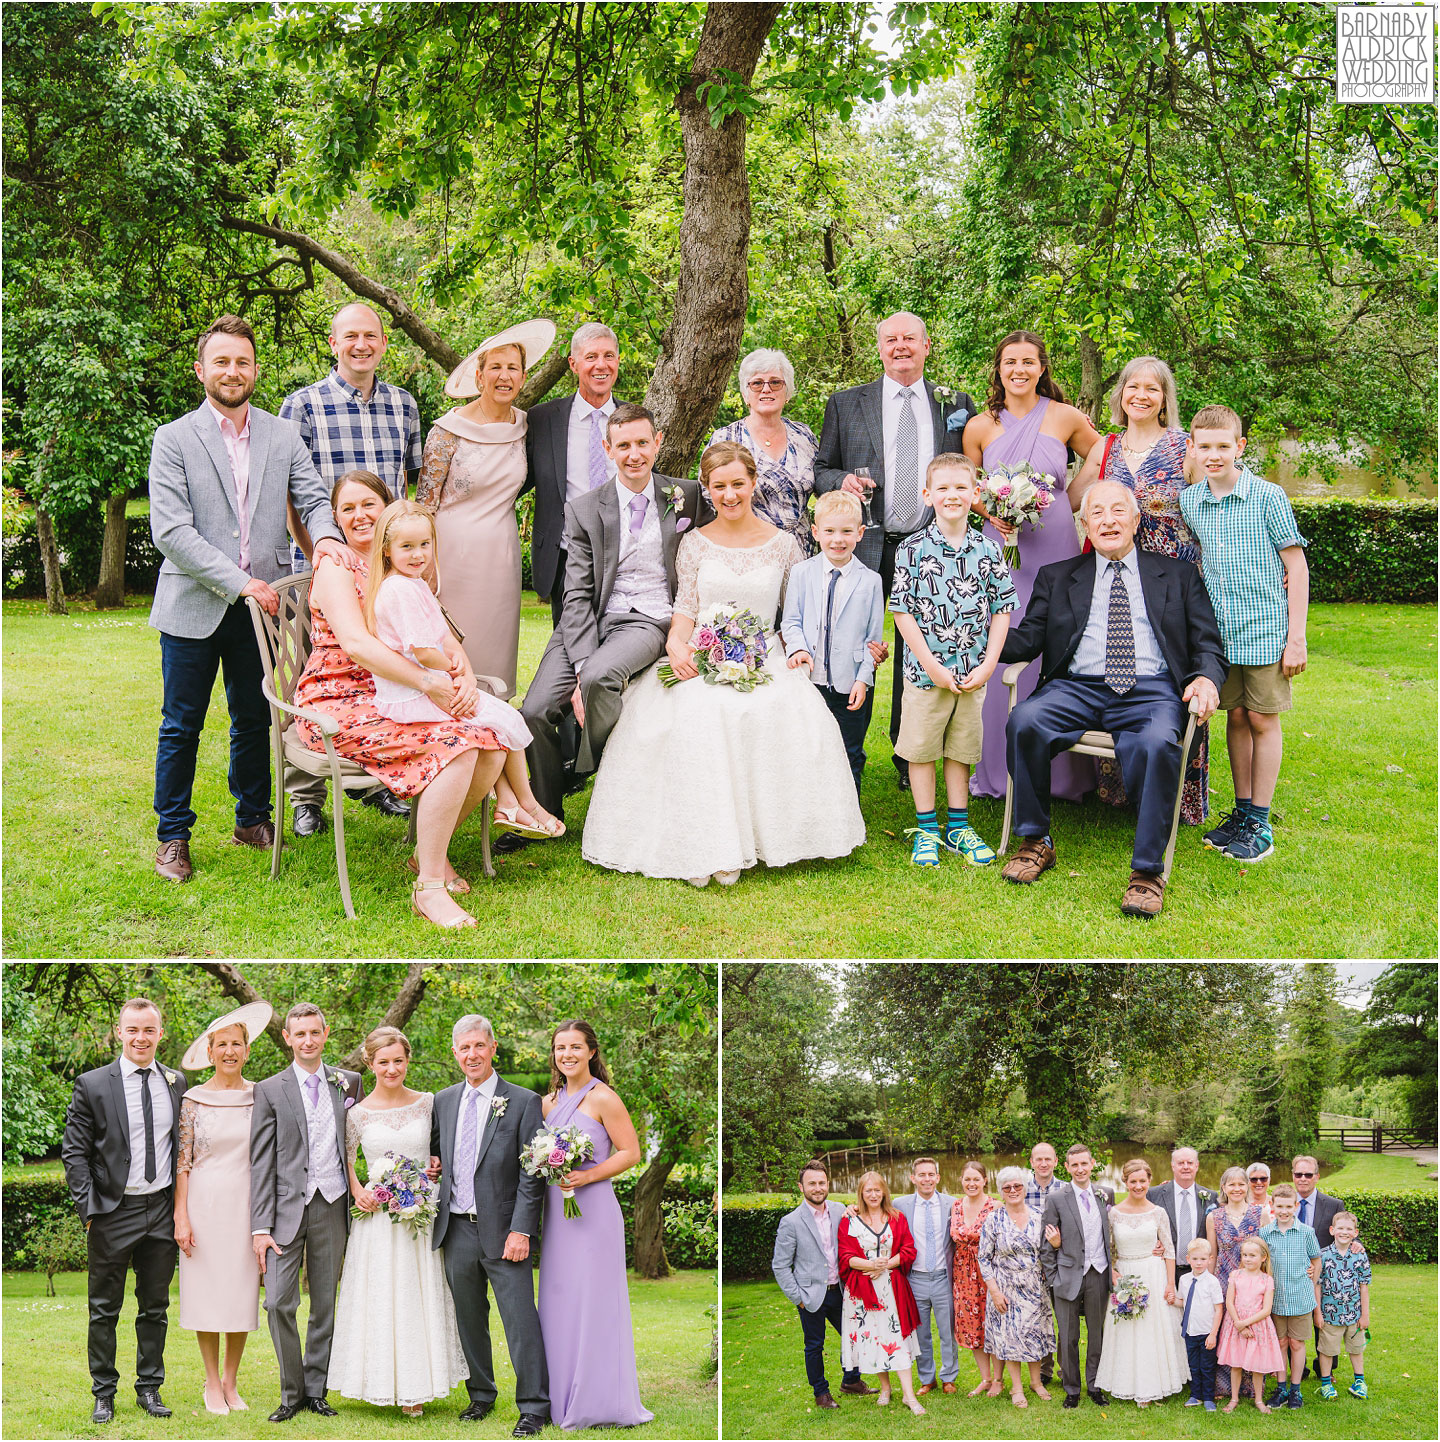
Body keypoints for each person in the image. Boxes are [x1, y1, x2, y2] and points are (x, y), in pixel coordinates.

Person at [581, 441, 866, 885]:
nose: (729, 494)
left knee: (770, 712)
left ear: (753, 482)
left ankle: (759, 837)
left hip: (765, 654)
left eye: (738, 483)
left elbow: (793, 615)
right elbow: (686, 607)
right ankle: (701, 842)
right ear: (706, 489)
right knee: (695, 715)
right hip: (701, 651)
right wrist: (676, 644)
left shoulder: (785, 544)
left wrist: (800, 651)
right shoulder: (693, 542)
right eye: (719, 486)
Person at [148, 313, 350, 882]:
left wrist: (330, 544)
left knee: (253, 719)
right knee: (180, 725)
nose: (232, 371)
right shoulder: (173, 438)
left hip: (263, 611)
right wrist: (239, 582)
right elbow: (171, 531)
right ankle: (173, 837)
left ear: (255, 369)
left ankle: (252, 819)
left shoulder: (283, 436)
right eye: (221, 361)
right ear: (200, 371)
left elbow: (313, 501)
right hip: (193, 605)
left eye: (242, 361)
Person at [291, 470, 513, 928]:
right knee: (461, 744)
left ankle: (425, 854)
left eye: (368, 505)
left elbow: (443, 637)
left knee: (491, 742)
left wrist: (465, 677)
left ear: (389, 512)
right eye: (347, 509)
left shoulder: (403, 565)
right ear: (335, 518)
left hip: (397, 693)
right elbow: (356, 645)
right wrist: (428, 682)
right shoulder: (335, 565)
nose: (359, 516)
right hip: (339, 700)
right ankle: (429, 889)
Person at [998, 480, 1226, 917]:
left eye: (1118, 511)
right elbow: (1026, 640)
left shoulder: (1177, 575)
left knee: (1157, 742)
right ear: (1085, 524)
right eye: (1097, 513)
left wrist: (1207, 680)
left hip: (1151, 689)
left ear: (1136, 520)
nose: (1108, 520)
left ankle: (1147, 871)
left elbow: (1207, 644)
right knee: (1025, 720)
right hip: (1075, 687)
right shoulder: (1059, 576)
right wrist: (975, 639)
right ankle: (1035, 839)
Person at [519, 403, 707, 825]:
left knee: (601, 678)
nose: (634, 453)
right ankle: (547, 810)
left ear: (658, 443)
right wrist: (581, 661)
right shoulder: (585, 509)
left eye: (643, 442)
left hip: (650, 618)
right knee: (533, 711)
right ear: (608, 448)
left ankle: (585, 767)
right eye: (623, 445)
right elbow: (578, 593)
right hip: (592, 617)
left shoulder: (686, 495)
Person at [814, 311, 976, 789]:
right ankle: (842, 753)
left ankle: (911, 757)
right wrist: (841, 480)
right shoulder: (845, 404)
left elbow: (967, 470)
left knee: (918, 650)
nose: (900, 345)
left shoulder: (956, 404)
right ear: (880, 347)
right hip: (864, 543)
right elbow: (822, 469)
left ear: (927, 346)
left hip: (930, 546)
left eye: (910, 338)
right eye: (891, 339)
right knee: (847, 644)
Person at [279, 301, 423, 837]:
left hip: (382, 568)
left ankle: (386, 780)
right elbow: (294, 494)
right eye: (350, 337)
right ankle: (306, 797)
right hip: (325, 565)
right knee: (316, 673)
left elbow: (405, 487)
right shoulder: (304, 405)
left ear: (383, 343)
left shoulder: (404, 405)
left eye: (371, 336)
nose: (361, 345)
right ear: (333, 344)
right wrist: (318, 550)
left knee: (384, 665)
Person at [363, 499, 561, 840]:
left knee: (501, 722)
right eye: (406, 546)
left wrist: (461, 671)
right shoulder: (398, 589)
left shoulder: (415, 584)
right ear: (386, 551)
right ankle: (525, 804)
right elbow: (424, 652)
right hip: (413, 695)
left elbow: (443, 637)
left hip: (429, 688)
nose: (417, 554)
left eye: (424, 545)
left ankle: (511, 801)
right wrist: (453, 669)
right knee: (504, 719)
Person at [964, 330, 1101, 808]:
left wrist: (1071, 493)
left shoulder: (1065, 416)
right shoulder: (980, 425)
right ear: (998, 370)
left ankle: (1064, 776)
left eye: (1028, 361)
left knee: (1058, 639)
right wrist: (990, 513)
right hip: (1000, 546)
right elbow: (966, 486)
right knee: (1002, 638)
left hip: (1056, 543)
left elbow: (1102, 452)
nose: (1018, 369)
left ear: (1043, 368)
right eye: (1009, 362)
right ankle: (998, 770)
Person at [1072, 356, 1210, 825]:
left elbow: (1218, 502)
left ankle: (1180, 797)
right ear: (1121, 395)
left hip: (1172, 574)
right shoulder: (1105, 447)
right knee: (1119, 661)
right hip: (1115, 570)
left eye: (1153, 389)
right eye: (1134, 387)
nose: (1142, 396)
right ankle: (1118, 791)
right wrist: (1014, 497)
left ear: (1165, 398)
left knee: (1172, 673)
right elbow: (1071, 500)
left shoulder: (1184, 446)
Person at [1180, 402, 1310, 863]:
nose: (1213, 455)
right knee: (1234, 717)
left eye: (1222, 446)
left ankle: (1261, 819)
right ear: (1191, 450)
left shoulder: (1268, 496)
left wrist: (1297, 637)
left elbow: (1295, 563)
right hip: (1221, 637)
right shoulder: (1191, 501)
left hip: (1266, 632)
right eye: (1204, 447)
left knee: (1261, 719)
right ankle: (1240, 812)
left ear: (1240, 447)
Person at [61, 997, 189, 1425]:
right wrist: (89, 1210)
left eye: (148, 1030)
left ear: (160, 1033)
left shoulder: (176, 1082)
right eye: (132, 1029)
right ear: (119, 1032)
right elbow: (74, 1153)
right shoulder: (93, 1084)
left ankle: (149, 1388)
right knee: (104, 1308)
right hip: (113, 1211)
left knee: (154, 1307)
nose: (140, 1037)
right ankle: (104, 1392)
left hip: (161, 1208)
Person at [328, 1026, 467, 1417]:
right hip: (377, 1221)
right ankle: (376, 1379)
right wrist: (358, 1190)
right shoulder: (355, 1112)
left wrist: (435, 1167)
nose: (392, 1069)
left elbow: (440, 1152)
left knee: (415, 1292)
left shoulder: (428, 1103)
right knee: (380, 1295)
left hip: (419, 1219)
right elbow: (346, 1161)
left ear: (408, 1060)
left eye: (398, 1061)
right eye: (383, 1062)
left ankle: (416, 1386)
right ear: (369, 1063)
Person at [417, 319, 557, 698]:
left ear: (524, 376)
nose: (504, 376)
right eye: (495, 367)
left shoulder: (527, 427)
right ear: (478, 376)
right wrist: (425, 566)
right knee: (453, 657)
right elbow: (424, 507)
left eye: (512, 367)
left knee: (494, 661)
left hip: (501, 557)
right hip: (451, 558)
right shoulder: (446, 431)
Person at [889, 454, 1017, 868]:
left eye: (961, 487)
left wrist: (988, 664)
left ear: (975, 493)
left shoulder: (987, 549)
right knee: (922, 750)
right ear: (927, 495)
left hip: (971, 674)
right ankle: (926, 829)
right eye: (942, 488)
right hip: (928, 674)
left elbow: (1002, 609)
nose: (952, 495)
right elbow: (902, 611)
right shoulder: (912, 548)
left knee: (961, 750)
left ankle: (959, 827)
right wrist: (931, 666)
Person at [428, 1015, 549, 1436]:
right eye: (464, 1048)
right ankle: (480, 1395)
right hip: (456, 1228)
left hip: (504, 1231)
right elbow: (437, 1154)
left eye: (479, 1046)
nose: (472, 1055)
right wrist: (432, 1168)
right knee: (468, 1317)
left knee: (520, 1319)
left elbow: (534, 1173)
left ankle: (534, 1406)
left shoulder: (523, 1101)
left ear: (493, 1048)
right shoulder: (442, 1101)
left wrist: (522, 1230)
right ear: (455, 1053)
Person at [249, 1002, 363, 1423]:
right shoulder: (269, 1089)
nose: (308, 1040)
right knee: (278, 1303)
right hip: (282, 1212)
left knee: (325, 1305)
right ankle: (290, 1392)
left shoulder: (348, 1083)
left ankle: (316, 1390)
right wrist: (260, 1225)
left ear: (326, 1033)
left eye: (315, 1032)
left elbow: (360, 1142)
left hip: (332, 1205)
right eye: (300, 1034)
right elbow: (260, 1161)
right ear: (287, 1038)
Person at [538, 1020, 653, 1429]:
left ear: (591, 1051)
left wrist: (588, 1175)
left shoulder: (605, 1098)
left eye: (574, 1047)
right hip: (559, 1213)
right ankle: (559, 1397)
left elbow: (631, 1152)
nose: (566, 1054)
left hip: (595, 1213)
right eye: (559, 1048)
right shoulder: (548, 1102)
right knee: (559, 1301)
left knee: (594, 1303)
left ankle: (600, 1400)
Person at [174, 1003, 271, 1416]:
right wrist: (181, 1215)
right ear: (210, 1051)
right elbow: (184, 1161)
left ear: (247, 1051)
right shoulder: (193, 1099)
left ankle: (231, 1381)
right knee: (207, 1296)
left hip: (247, 1208)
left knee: (239, 1295)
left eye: (237, 1044)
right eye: (222, 1044)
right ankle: (211, 1382)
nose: (229, 1051)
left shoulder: (261, 1097)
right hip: (204, 1206)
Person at [780, 490, 886, 797]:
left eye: (846, 531)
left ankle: (849, 811)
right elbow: (791, 621)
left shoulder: (870, 581)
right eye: (829, 531)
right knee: (809, 744)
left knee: (849, 748)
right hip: (810, 680)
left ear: (860, 533)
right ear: (816, 532)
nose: (837, 539)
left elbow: (873, 639)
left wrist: (863, 680)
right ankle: (812, 806)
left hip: (850, 682)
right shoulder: (802, 573)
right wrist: (798, 649)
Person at [524, 322, 627, 627]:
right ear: (573, 363)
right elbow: (515, 480)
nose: (601, 365)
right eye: (591, 356)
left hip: (624, 557)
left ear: (618, 361)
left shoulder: (634, 418)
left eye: (609, 356)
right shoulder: (543, 420)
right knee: (569, 654)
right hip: (566, 558)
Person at [771, 1160, 873, 1410]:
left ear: (828, 1184)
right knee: (814, 1346)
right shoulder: (791, 1222)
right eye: (811, 1183)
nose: (817, 1188)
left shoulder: (840, 1210)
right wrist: (798, 1298)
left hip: (841, 1291)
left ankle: (851, 1381)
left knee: (854, 1337)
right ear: (801, 1187)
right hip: (811, 1295)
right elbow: (780, 1266)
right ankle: (821, 1393)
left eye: (821, 1183)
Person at [1093, 1158, 1188, 1407]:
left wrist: (1170, 1283)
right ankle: (1131, 1384)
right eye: (1132, 1181)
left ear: (1149, 1181)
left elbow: (1169, 1249)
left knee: (1155, 1331)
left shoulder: (1158, 1212)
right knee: (1129, 1330)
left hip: (1153, 1274)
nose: (1137, 1186)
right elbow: (1108, 1248)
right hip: (1125, 1275)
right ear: (1125, 1182)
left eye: (1142, 1181)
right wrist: (1114, 1274)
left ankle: (1160, 1383)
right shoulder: (1113, 1213)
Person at [709, 348, 820, 555]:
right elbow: (710, 500)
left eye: (775, 382)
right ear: (745, 394)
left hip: (802, 554)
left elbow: (822, 486)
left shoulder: (804, 436)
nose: (766, 389)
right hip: (747, 553)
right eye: (757, 383)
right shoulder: (726, 438)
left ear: (787, 392)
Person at [838, 1172, 925, 1415]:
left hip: (891, 1290)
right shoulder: (850, 1221)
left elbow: (908, 1250)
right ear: (861, 1194)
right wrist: (869, 1266)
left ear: (884, 1192)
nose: (874, 1195)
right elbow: (845, 1256)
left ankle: (909, 1395)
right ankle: (885, 1388)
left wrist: (884, 1265)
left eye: (878, 1190)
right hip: (862, 1292)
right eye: (868, 1191)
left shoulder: (897, 1218)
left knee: (897, 1340)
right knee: (874, 1340)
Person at [1039, 1142, 1113, 1409]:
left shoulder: (1106, 1194)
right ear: (1067, 1167)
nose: (1080, 1169)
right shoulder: (1057, 1198)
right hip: (1068, 1276)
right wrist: (1053, 1278)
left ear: (1092, 1164)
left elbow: (1110, 1234)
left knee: (1097, 1333)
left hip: (1099, 1273)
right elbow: (1046, 1245)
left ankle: (1094, 1385)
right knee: (1068, 1336)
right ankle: (1072, 1388)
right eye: (1075, 1165)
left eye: (1085, 1163)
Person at [978, 1167, 1056, 1407]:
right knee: (1010, 1337)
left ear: (1025, 1188)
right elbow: (983, 1258)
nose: (1013, 1190)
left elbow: (1050, 1250)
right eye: (1007, 1187)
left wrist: (1057, 1243)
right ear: (1001, 1191)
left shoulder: (1039, 1215)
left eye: (1017, 1186)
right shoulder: (993, 1219)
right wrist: (994, 1291)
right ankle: (1016, 1388)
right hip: (1005, 1287)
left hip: (1034, 1285)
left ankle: (1036, 1382)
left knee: (1035, 1334)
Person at [892, 1158, 958, 1395]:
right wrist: (852, 1208)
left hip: (943, 1277)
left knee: (947, 1331)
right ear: (913, 1178)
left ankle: (949, 1377)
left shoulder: (952, 1204)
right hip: (915, 1279)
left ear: (938, 1177)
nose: (927, 1179)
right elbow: (872, 1207)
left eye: (931, 1174)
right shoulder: (900, 1205)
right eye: (922, 1175)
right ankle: (926, 1378)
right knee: (920, 1334)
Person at [1259, 1182, 1322, 1410]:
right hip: (1274, 1300)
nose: (1284, 1211)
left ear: (1296, 1206)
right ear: (1272, 1206)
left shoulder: (1306, 1232)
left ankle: (1295, 1390)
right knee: (1280, 1343)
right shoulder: (1265, 1233)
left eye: (1288, 1206)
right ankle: (1281, 1387)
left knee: (1296, 1343)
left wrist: (1311, 1280)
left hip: (1300, 1298)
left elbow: (1316, 1259)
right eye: (1279, 1206)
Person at [1206, 1165, 1266, 1400]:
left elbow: (1266, 1252)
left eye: (1241, 1184)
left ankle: (1250, 1387)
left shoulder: (1259, 1214)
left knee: (1249, 1330)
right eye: (1231, 1184)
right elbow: (1212, 1252)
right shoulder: (1215, 1216)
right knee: (1226, 1332)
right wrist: (1209, 1285)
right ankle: (1223, 1386)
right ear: (1223, 1187)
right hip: (1223, 1279)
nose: (1237, 1188)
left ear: (1247, 1186)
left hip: (1251, 1283)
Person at [949, 1160, 999, 1395]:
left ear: (984, 1181)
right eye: (967, 1179)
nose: (971, 1183)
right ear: (961, 1180)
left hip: (989, 1275)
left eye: (976, 1179)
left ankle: (998, 1380)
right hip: (963, 1277)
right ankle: (985, 1378)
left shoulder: (995, 1206)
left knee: (993, 1325)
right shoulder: (956, 1206)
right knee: (972, 1327)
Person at [1217, 1237, 1283, 1414]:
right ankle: (1234, 1398)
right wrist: (1238, 1325)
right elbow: (1229, 1302)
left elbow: (1267, 1309)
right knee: (1236, 1364)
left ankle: (1259, 1400)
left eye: (1252, 1255)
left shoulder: (1266, 1280)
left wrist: (1245, 1324)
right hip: (1235, 1324)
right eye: (1245, 1255)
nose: (1247, 1259)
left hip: (1257, 1326)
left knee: (1257, 1365)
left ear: (1263, 1258)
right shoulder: (1235, 1276)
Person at [1314, 1211, 1371, 1400]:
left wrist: (1365, 1315)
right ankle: (1326, 1383)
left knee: (1356, 1348)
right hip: (1330, 1314)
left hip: (1354, 1313)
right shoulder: (1323, 1256)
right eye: (1340, 1228)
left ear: (1355, 1233)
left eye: (1349, 1229)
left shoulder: (1360, 1256)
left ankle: (1359, 1381)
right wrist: (1318, 1313)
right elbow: (1318, 1286)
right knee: (1327, 1349)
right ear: (1332, 1230)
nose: (1344, 1232)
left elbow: (1364, 1286)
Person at [1023, 1142, 1064, 1388]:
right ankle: (1044, 1369)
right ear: (1031, 1162)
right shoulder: (1021, 1189)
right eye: (1038, 1159)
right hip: (1029, 1266)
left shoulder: (1066, 1189)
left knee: (1062, 1317)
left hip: (1059, 1263)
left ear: (1056, 1161)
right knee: (1038, 1319)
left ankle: (1065, 1369)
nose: (1043, 1163)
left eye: (1048, 1159)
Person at [1148, 1146, 1217, 1280]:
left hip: (1200, 1271)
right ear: (1173, 1166)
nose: (1186, 1167)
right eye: (1181, 1163)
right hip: (1165, 1270)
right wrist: (1155, 1242)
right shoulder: (1154, 1195)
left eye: (1190, 1163)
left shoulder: (1211, 1197)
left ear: (1196, 1166)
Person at [1176, 1238, 1225, 1411]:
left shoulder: (1212, 1282)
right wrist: (1169, 1299)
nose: (1198, 1263)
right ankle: (1195, 1395)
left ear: (1210, 1259)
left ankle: (1208, 1397)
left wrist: (1213, 1334)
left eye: (1203, 1259)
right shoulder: (1184, 1279)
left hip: (1206, 1332)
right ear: (1188, 1259)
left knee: (1207, 1366)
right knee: (1193, 1365)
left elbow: (1219, 1310)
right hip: (1190, 1331)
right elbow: (1182, 1301)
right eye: (1195, 1259)